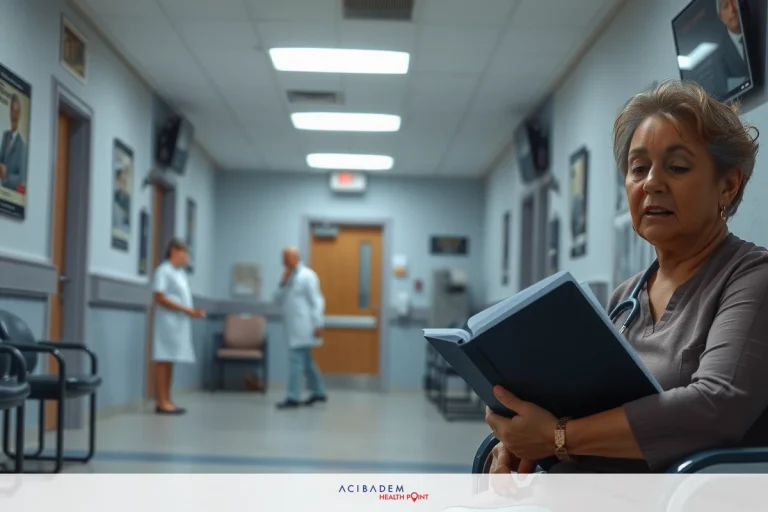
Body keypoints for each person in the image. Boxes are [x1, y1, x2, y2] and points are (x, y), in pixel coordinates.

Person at [486, 80, 768, 474]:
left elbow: (716, 405)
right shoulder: (625, 297)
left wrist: (559, 437)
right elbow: (582, 406)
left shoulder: (752, 279)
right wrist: (519, 438)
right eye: (639, 168)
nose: (651, 182)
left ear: (727, 185)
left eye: (677, 166)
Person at [152, 238, 205, 414]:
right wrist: (187, 310)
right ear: (174, 251)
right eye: (185, 252)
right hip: (167, 322)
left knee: (171, 359)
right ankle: (161, 401)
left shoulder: (180, 273)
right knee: (163, 358)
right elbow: (160, 297)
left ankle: (168, 399)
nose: (187, 257)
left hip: (178, 323)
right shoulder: (163, 271)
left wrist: (191, 311)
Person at [273, 247, 327, 410]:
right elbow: (276, 300)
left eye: (288, 257)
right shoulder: (287, 277)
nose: (284, 261)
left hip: (305, 326)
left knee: (295, 360)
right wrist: (282, 283)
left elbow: (317, 301)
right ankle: (319, 392)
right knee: (306, 361)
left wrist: (318, 323)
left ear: (297, 257)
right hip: (292, 326)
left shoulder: (307, 276)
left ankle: (292, 397)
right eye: (283, 257)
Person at [0, 94, 27, 191]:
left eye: (17, 111)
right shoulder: (5, 135)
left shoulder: (22, 146)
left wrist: (6, 176)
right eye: (12, 110)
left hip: (10, 193)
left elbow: (21, 178)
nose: (14, 115)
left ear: (20, 115)